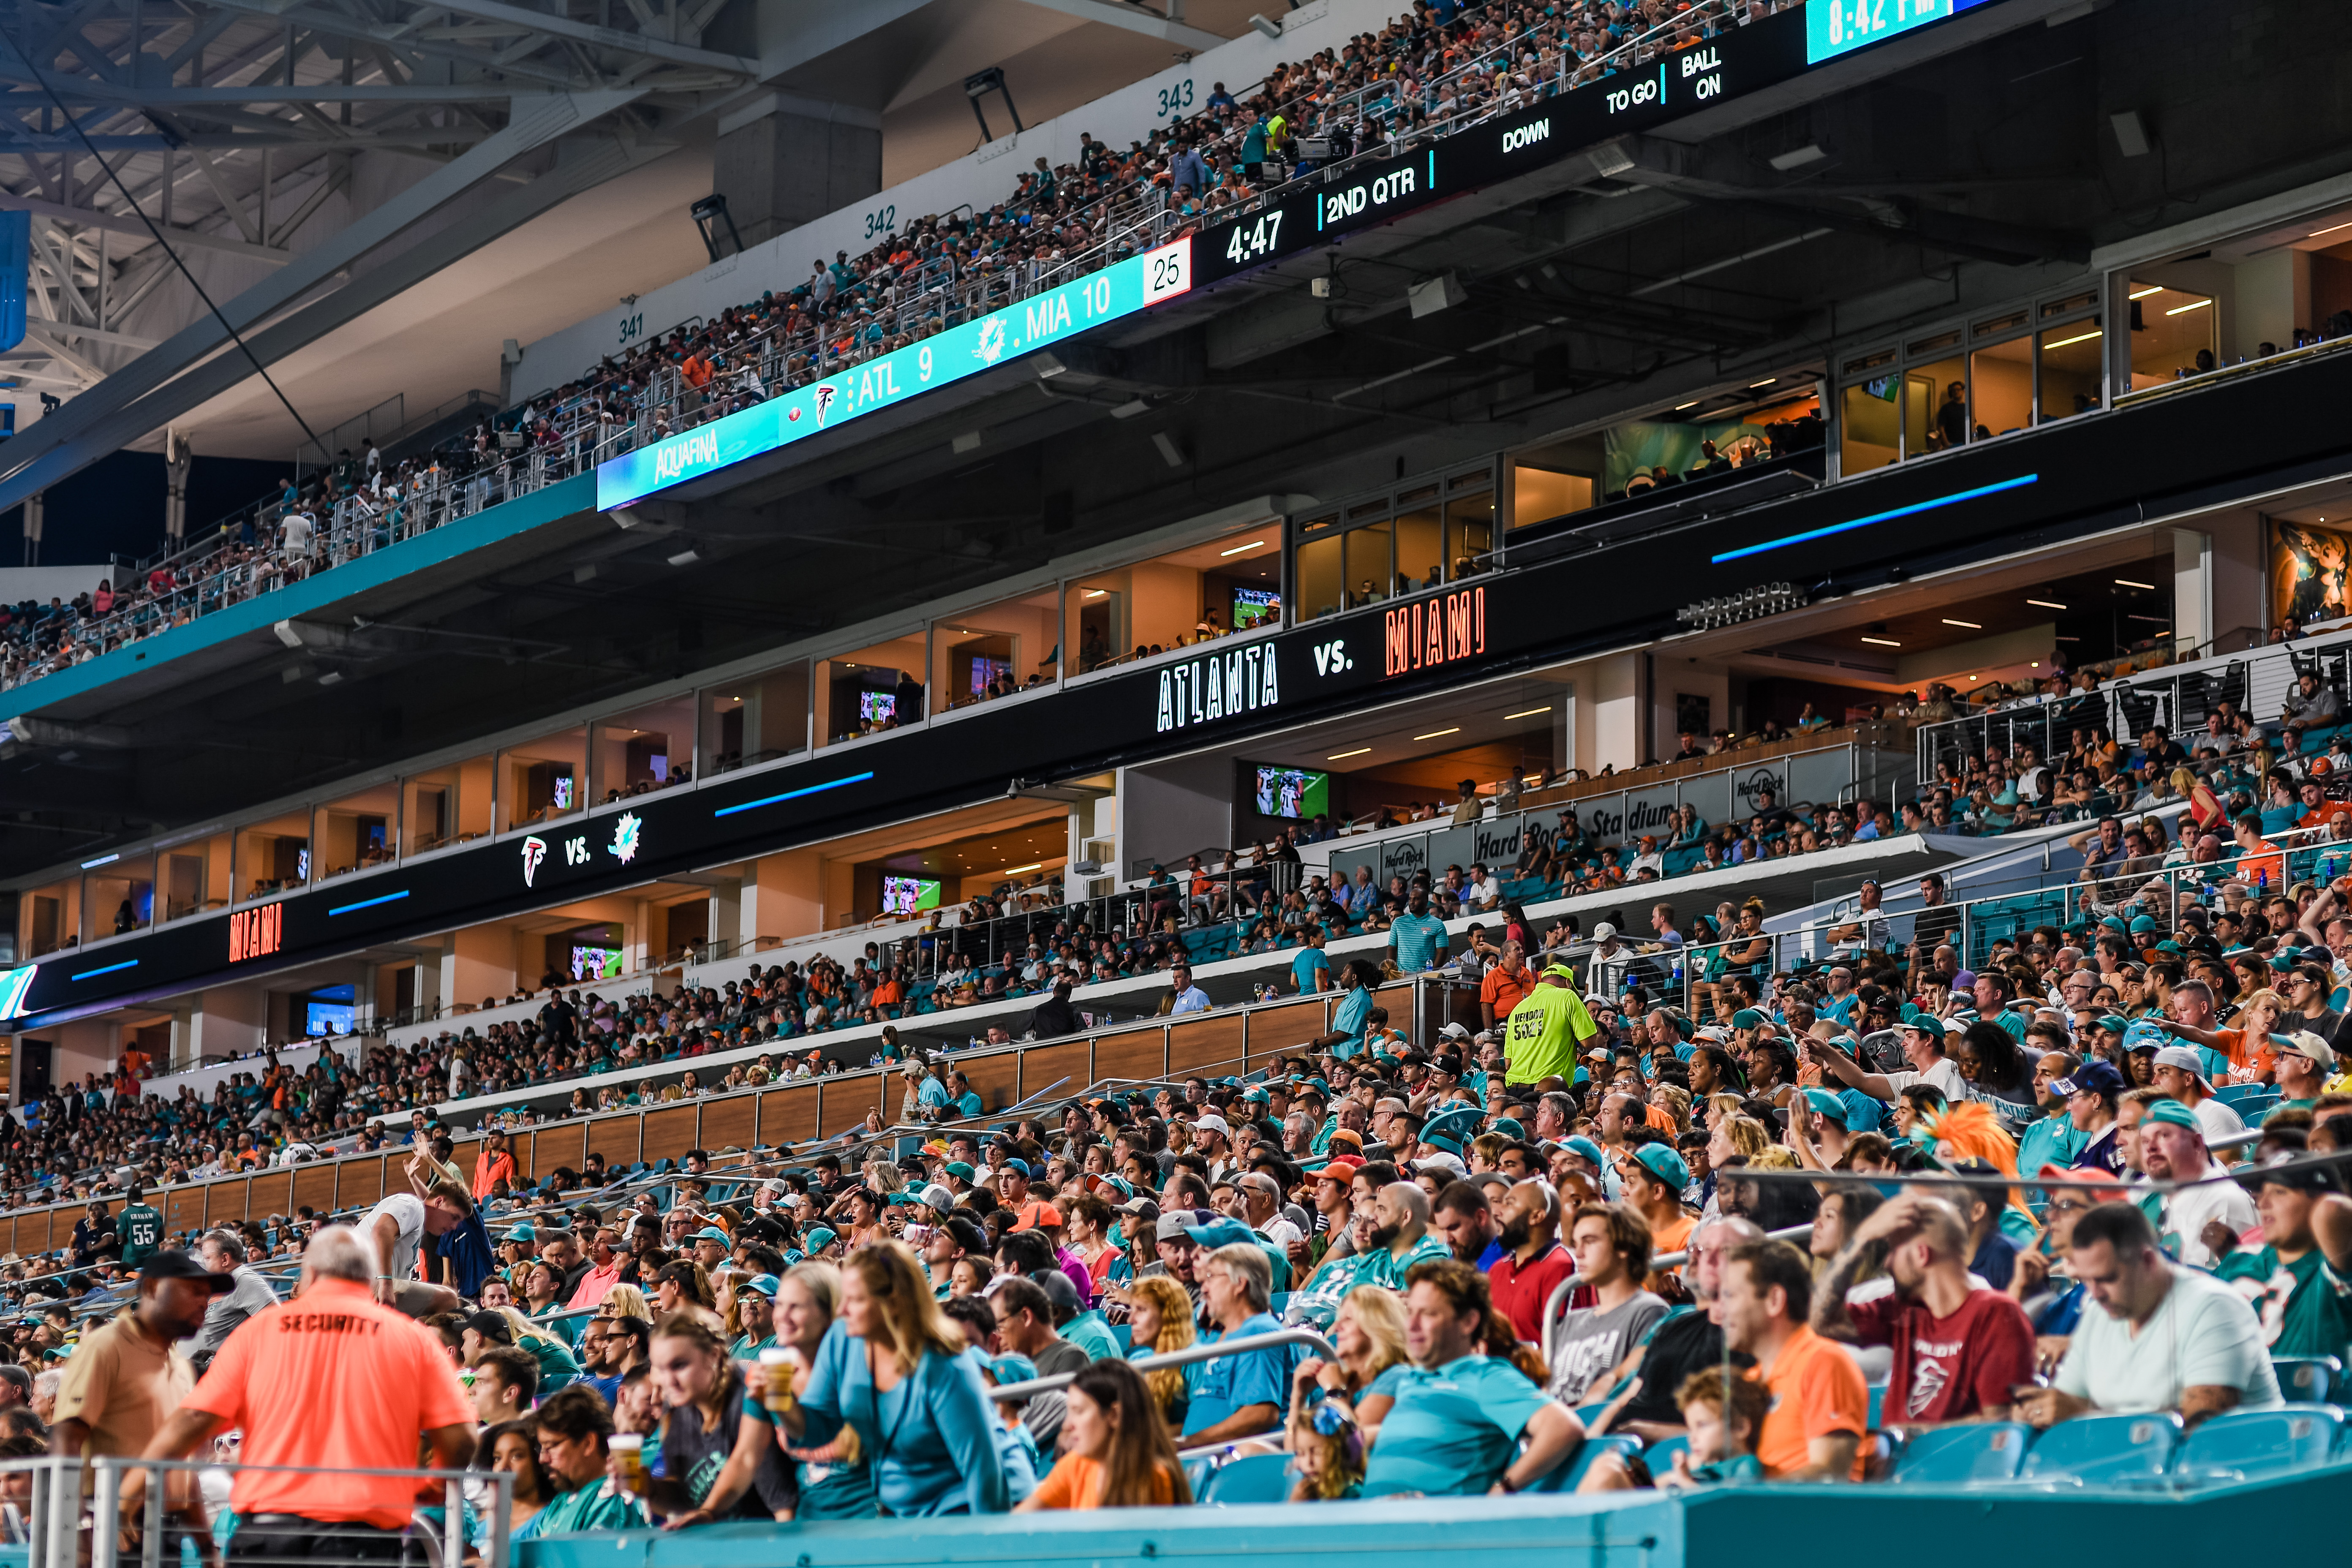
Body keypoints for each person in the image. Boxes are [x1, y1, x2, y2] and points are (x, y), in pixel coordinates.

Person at [130, 1225, 479, 1561]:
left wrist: (126, 1494)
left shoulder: (258, 1334)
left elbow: (193, 1420)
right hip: (362, 1535)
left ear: (309, 1274)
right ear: (370, 1280)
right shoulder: (413, 1339)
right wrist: (430, 1488)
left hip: (267, 1533)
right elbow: (462, 1439)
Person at [770, 1241, 1008, 1515]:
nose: (842, 1310)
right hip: (894, 1516)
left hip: (952, 1516)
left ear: (893, 1302)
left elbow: (983, 1473)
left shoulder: (947, 1365)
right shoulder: (842, 1338)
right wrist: (781, 1401)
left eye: (856, 1300)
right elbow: (816, 1429)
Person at [2016, 1203, 2281, 1429]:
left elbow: (2202, 1431)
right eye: (2087, 1281)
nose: (2096, 1294)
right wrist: (2039, 1411)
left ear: (2149, 1261)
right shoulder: (2099, 1313)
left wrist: (2084, 1418)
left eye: (2107, 1279)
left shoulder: (2216, 1308)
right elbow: (2068, 1401)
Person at [1360, 1260, 1584, 1496]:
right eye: (1411, 1312)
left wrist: (1503, 1488)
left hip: (1432, 1527)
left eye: (1427, 1314)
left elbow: (1562, 1427)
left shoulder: (1485, 1376)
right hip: (1368, 1522)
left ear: (1468, 1322)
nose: (1412, 1325)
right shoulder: (1412, 1380)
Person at [1811, 1193, 2034, 1428]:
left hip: (1945, 1463)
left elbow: (1998, 1426)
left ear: (1921, 1255)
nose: (1887, 1263)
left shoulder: (1995, 1313)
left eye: (1894, 1250)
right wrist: (1862, 1238)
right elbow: (1822, 1322)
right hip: (1896, 1461)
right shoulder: (1903, 1309)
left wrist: (1911, 1434)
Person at [1712, 1238, 1868, 1480]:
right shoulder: (1750, 1379)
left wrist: (1745, 1497)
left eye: (1730, 1296)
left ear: (1774, 1300)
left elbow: (1830, 1474)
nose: (1718, 1313)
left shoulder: (1824, 1362)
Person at [54, 1251, 230, 1460]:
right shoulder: (107, 1346)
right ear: (153, 1288)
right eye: (194, 1291)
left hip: (164, 1492)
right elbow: (68, 1437)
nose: (204, 1302)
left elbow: (182, 1457)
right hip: (107, 1492)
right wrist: (68, 1493)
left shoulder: (182, 1366)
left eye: (206, 1294)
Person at [640, 1312, 797, 1526]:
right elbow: (685, 1503)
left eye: (679, 1366)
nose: (669, 1382)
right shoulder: (679, 1407)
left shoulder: (746, 1399)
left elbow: (785, 1512)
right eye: (660, 1368)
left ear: (713, 1356)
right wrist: (650, 1489)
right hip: (717, 1546)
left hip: (762, 1548)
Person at [2213, 1154, 2352, 1358]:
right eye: (2262, 1193)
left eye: (2280, 1192)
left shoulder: (2333, 1267)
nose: (2263, 1203)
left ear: (2318, 1201)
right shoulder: (2239, 1258)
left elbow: (2333, 1210)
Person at [1015, 1359, 1190, 1510]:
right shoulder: (1076, 1465)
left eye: (1079, 1411)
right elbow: (1020, 1523)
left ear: (1114, 1415)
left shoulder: (1154, 1480)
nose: (1067, 1425)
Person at [1546, 1203, 1667, 1405]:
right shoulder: (1571, 1321)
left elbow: (1638, 1392)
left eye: (1590, 1241)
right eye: (1576, 1244)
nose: (1579, 1253)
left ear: (1624, 1247)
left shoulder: (1650, 1311)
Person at [1183, 1242, 1302, 1444]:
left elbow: (1259, 1415)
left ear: (1240, 1284)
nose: (1203, 1289)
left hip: (1230, 1460)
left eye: (1211, 1277)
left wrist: (1188, 1444)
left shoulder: (1257, 1332)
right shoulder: (1238, 1334)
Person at [523, 1386, 648, 1541]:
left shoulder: (616, 1503)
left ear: (588, 1443)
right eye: (541, 1448)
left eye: (551, 1447)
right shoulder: (560, 1502)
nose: (543, 1459)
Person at [361, 1179, 472, 1315]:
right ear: (439, 1202)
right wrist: (386, 1285)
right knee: (449, 1298)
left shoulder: (416, 1228)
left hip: (354, 1281)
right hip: (361, 1281)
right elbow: (381, 1231)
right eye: (454, 1217)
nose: (454, 1227)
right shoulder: (414, 1205)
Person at [188, 1228, 278, 1373]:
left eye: (207, 1258)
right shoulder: (217, 1284)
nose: (203, 1264)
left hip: (222, 1377)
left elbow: (278, 1325)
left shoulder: (246, 1280)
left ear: (225, 1259)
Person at [1501, 964, 1601, 1088]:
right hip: (1549, 1088)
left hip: (1515, 1088)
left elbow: (1508, 1063)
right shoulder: (1567, 996)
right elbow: (1590, 1043)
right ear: (1568, 983)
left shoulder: (1518, 1009)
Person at [475, 1419, 550, 1544]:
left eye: (516, 1456)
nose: (503, 1467)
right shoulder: (486, 1526)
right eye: (497, 1459)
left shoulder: (550, 1520)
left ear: (540, 1463)